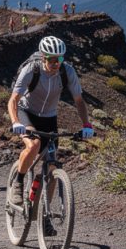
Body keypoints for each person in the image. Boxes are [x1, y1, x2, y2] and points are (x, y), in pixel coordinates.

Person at [7, 36, 95, 234]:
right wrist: (16, 122)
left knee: (52, 167)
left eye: (60, 59)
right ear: (43, 57)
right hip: (26, 112)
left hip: (49, 117)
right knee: (33, 145)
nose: (56, 63)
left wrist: (87, 124)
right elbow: (13, 100)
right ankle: (18, 183)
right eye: (52, 59)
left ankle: (44, 216)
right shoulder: (32, 69)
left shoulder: (67, 71)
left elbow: (79, 100)